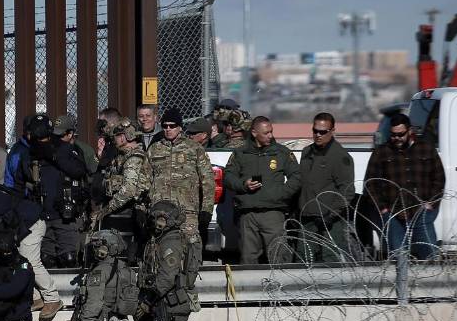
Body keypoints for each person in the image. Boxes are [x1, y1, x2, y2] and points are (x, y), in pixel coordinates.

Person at [0, 182, 62, 321]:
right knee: (14, 263)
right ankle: (36, 298)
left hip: (31, 223)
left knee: (30, 262)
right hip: (18, 229)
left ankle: (53, 299)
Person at [364, 114, 445, 259]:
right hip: (393, 214)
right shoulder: (381, 152)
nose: (396, 138)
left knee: (429, 255)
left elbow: (439, 178)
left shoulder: (426, 149)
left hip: (421, 211)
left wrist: (431, 203)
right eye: (393, 135)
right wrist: (383, 209)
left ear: (410, 131)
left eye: (400, 134)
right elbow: (371, 183)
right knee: (399, 258)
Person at [13, 117, 89, 267]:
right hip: (40, 216)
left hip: (64, 214)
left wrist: (53, 155)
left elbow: (79, 170)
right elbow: (19, 185)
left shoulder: (64, 149)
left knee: (68, 258)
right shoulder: (27, 155)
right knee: (46, 259)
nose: (40, 141)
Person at [224, 116, 300, 265]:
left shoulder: (281, 152)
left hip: (273, 213)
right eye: (266, 133)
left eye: (271, 132)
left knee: (278, 257)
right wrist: (243, 185)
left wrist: (281, 194)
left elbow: (296, 177)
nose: (270, 136)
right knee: (248, 259)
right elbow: (228, 177)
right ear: (254, 133)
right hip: (248, 214)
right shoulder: (241, 153)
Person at [147, 107, 215, 255]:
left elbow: (208, 181)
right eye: (165, 126)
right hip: (161, 212)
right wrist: (141, 208)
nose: (168, 129)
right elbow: (144, 180)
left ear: (179, 127)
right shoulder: (154, 149)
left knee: (190, 252)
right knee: (162, 254)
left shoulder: (194, 149)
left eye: (172, 126)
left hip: (187, 212)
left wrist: (206, 210)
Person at [298, 112, 357, 263]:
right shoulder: (307, 152)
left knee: (330, 262)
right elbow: (302, 183)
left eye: (323, 132)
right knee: (303, 261)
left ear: (332, 131)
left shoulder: (339, 156)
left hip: (329, 221)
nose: (318, 135)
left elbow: (347, 191)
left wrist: (331, 215)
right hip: (307, 218)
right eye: (315, 130)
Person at [90, 116, 151, 263]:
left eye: (116, 136)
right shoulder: (122, 157)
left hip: (132, 213)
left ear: (124, 137)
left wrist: (106, 210)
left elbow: (128, 190)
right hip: (125, 212)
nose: (114, 140)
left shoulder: (134, 158)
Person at [3, 112, 51, 188]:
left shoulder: (47, 145)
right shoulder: (17, 151)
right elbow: (10, 179)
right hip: (21, 191)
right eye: (30, 131)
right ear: (25, 131)